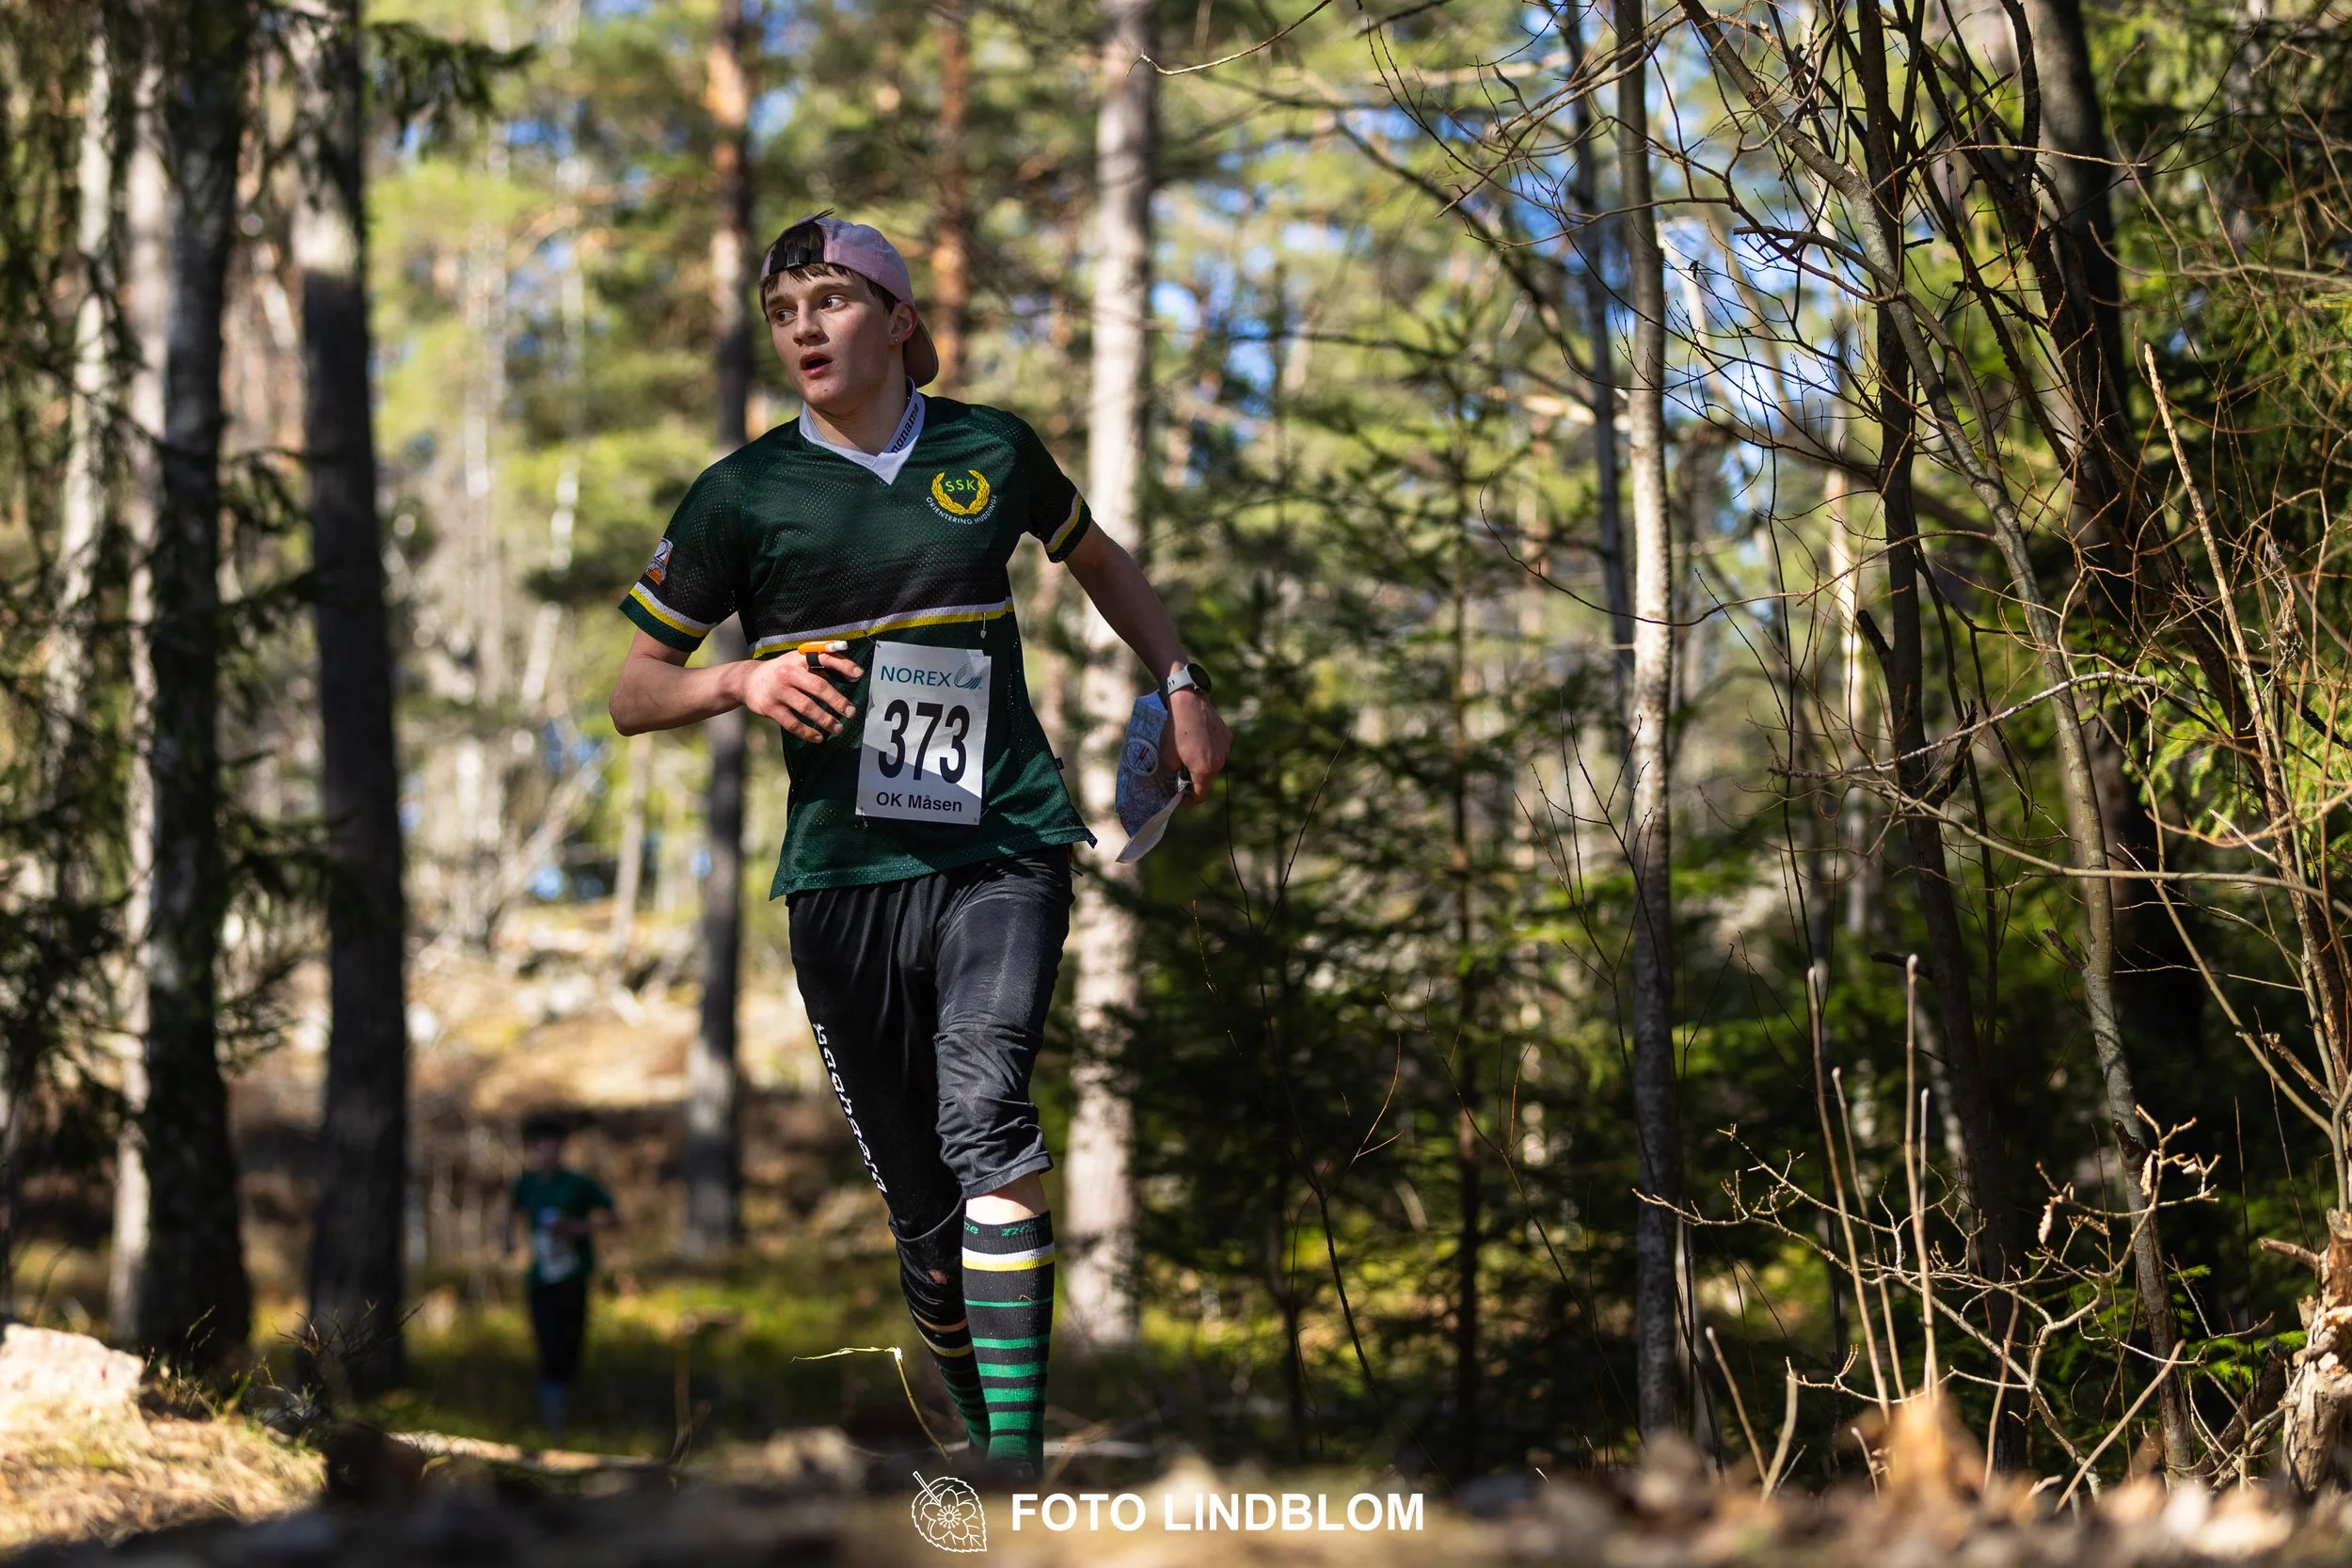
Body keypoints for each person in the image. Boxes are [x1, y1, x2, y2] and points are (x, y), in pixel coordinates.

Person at [607, 213, 1230, 1478]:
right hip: (841, 876)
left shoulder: (989, 449)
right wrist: (742, 685)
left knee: (989, 1111)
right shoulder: (741, 495)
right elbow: (631, 690)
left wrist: (1181, 678)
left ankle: (1016, 1457)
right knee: (922, 1211)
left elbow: (1103, 565)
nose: (803, 331)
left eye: (829, 302)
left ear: (896, 318)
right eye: (784, 314)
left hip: (1003, 840)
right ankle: (982, 1404)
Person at [503, 1114, 618, 1441]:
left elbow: (614, 1217)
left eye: (553, 1146)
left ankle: (571, 1413)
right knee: (546, 1345)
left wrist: (578, 1228)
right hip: (540, 1280)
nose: (547, 1153)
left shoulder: (578, 1183)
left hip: (574, 1278)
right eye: (540, 1147)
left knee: (571, 1346)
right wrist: (507, 1240)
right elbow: (509, 1214)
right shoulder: (525, 1184)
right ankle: (553, 1420)